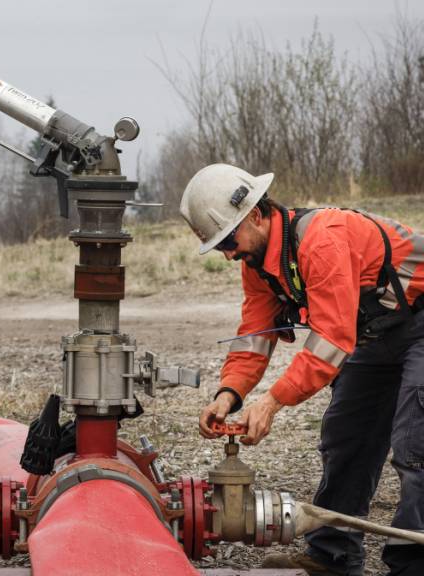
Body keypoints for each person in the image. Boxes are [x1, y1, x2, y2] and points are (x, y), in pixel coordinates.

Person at [179, 164, 424, 576]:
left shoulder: (322, 240)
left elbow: (331, 339)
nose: (228, 254)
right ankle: (332, 557)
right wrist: (229, 394)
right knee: (347, 439)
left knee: (415, 446)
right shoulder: (257, 263)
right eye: (219, 246)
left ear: (255, 214)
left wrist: (273, 401)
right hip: (375, 334)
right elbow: (255, 336)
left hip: (419, 323)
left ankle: (414, 563)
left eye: (228, 240)